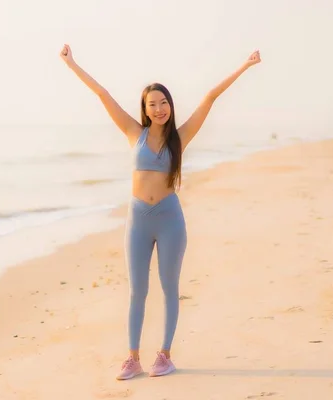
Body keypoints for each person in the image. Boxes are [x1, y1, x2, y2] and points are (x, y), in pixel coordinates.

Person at [59, 44, 261, 380]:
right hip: (138, 220)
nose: (159, 108)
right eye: (152, 104)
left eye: (164, 102)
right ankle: (132, 358)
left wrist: (245, 65)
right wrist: (71, 64)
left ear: (170, 105)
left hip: (169, 220)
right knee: (137, 290)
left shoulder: (180, 139)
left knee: (169, 286)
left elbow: (210, 97)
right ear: (144, 109)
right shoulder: (132, 133)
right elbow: (102, 94)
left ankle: (165, 355)